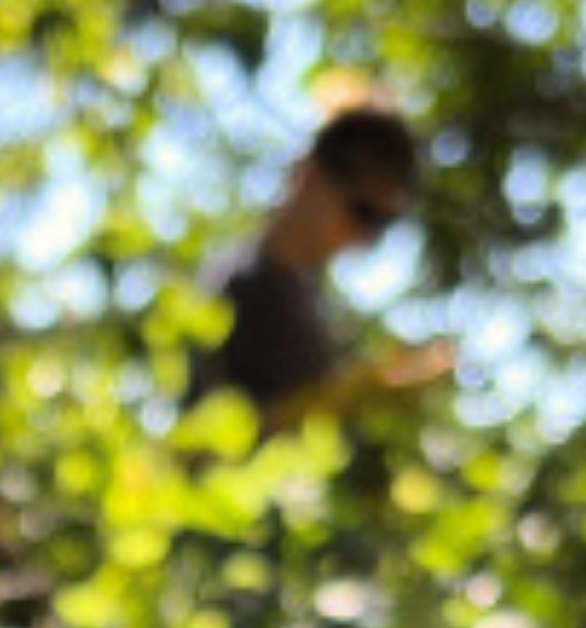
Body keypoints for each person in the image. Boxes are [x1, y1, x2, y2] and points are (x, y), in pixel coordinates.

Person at [190, 103, 457, 432]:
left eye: (384, 223)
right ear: (310, 175)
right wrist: (360, 392)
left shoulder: (306, 302)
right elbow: (210, 442)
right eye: (364, 212)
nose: (365, 237)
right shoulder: (238, 286)